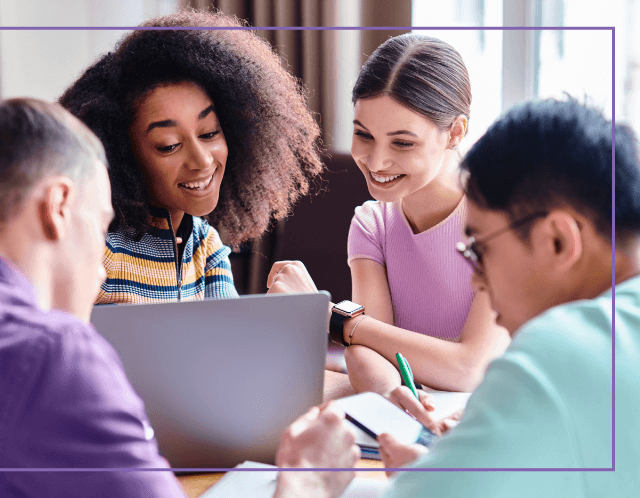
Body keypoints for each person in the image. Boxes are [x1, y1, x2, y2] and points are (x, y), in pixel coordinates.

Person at [0, 98, 360, 498]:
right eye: (100, 225)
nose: (99, 261)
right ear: (58, 206)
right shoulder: (54, 352)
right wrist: (307, 484)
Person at [315, 99, 640, 496]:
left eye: (480, 249)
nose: (477, 282)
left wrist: (302, 482)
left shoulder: (559, 352)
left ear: (558, 240)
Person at [269, 34, 509, 394]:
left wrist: (327, 313)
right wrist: (352, 331)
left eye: (402, 142)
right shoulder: (372, 225)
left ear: (455, 133)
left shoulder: (501, 219)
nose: (376, 162)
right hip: (414, 415)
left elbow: (468, 369)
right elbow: (375, 369)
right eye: (363, 135)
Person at [59, 10, 323, 304]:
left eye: (209, 133)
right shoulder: (97, 249)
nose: (203, 161)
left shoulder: (206, 247)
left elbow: (230, 341)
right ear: (122, 155)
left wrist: (289, 311)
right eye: (169, 145)